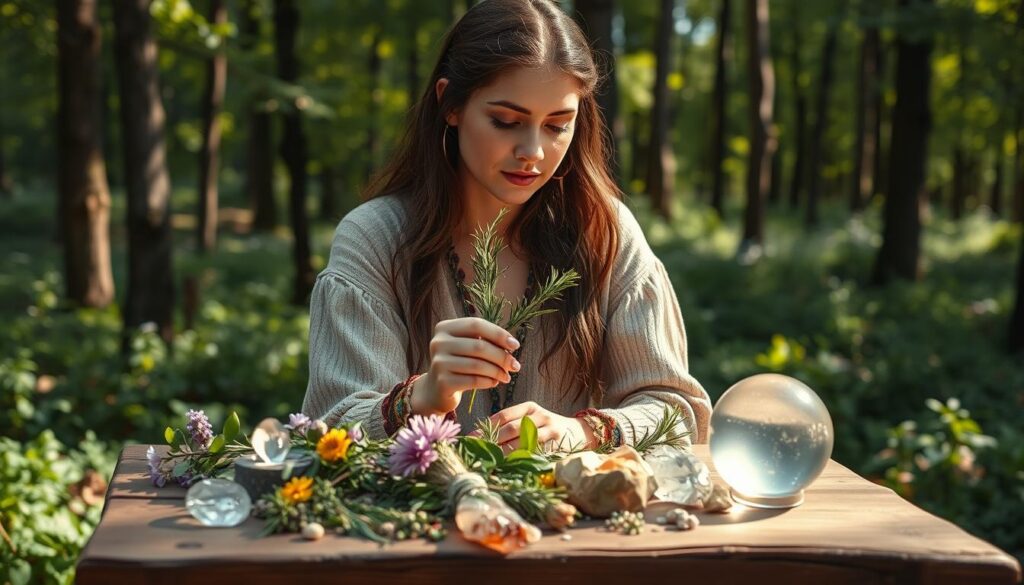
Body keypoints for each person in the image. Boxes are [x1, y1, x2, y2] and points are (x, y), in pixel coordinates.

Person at [302, 0, 711, 451]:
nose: (533, 150)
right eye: (506, 121)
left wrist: (585, 432)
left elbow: (678, 410)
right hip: (418, 518)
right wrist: (423, 395)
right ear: (450, 104)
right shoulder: (375, 238)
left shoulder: (605, 230)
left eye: (558, 125)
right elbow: (330, 428)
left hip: (574, 518)